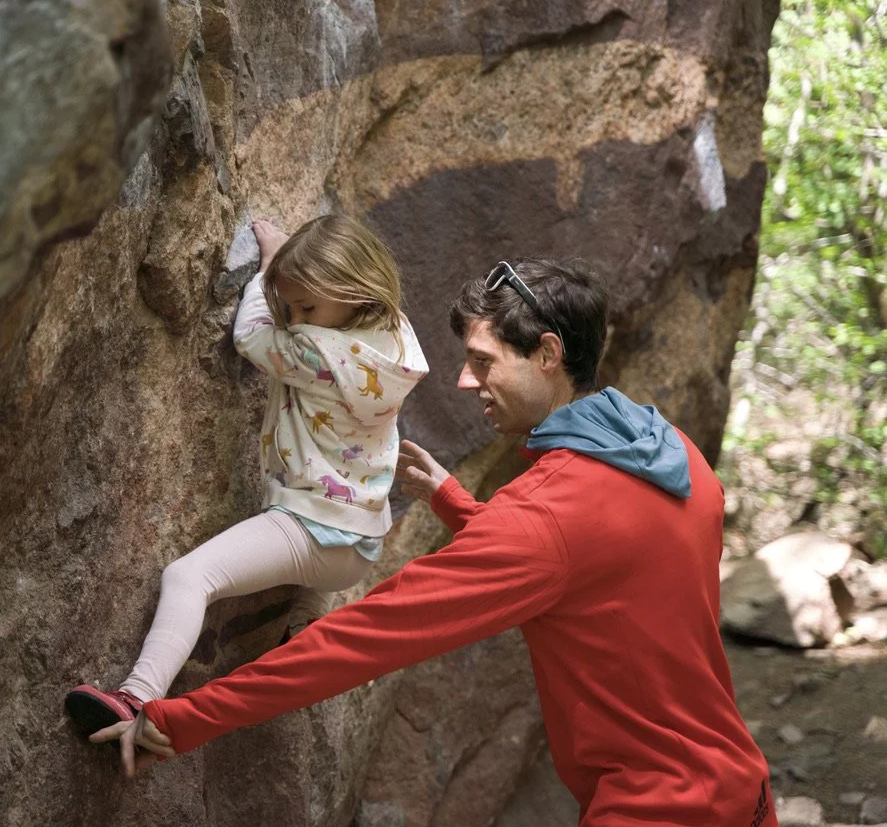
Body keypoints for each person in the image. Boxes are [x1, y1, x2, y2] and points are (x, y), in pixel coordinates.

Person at [91, 257, 778, 827]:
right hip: (741, 791)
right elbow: (604, 567)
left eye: (482, 360)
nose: (463, 379)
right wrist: (460, 506)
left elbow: (364, 638)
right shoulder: (670, 452)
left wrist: (180, 720)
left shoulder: (541, 520)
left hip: (654, 809)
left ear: (547, 354)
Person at [65, 215, 428, 735]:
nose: (297, 315)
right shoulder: (396, 341)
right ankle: (307, 631)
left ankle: (135, 698)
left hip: (312, 527)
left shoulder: (316, 353)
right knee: (310, 581)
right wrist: (300, 283)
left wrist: (267, 271)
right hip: (361, 543)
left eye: (306, 307)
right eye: (294, 306)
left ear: (352, 290)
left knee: (189, 577)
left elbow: (252, 337)